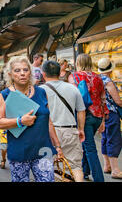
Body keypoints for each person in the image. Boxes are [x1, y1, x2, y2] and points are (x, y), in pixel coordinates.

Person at [0, 56, 63, 182]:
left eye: (25, 70)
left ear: (30, 72)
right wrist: (20, 121)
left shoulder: (41, 92)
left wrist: (57, 146)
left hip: (43, 151)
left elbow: (48, 121)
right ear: (10, 74)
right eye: (17, 70)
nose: (22, 74)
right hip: (20, 151)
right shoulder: (5, 95)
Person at [40, 60, 86, 182]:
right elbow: (81, 110)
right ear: (60, 72)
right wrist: (81, 129)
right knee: (75, 166)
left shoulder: (39, 91)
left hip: (48, 133)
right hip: (70, 130)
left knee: (47, 167)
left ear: (43, 74)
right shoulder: (72, 88)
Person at [68, 53, 107, 182]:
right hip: (97, 116)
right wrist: (102, 120)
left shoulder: (74, 76)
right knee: (86, 143)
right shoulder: (98, 77)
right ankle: (85, 172)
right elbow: (103, 99)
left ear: (78, 63)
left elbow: (73, 98)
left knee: (90, 149)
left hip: (84, 115)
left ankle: (99, 179)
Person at [98, 58, 122, 179]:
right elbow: (117, 101)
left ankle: (107, 165)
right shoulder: (108, 81)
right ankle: (115, 170)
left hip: (102, 114)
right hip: (111, 113)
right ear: (110, 69)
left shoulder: (98, 78)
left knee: (105, 138)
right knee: (114, 139)